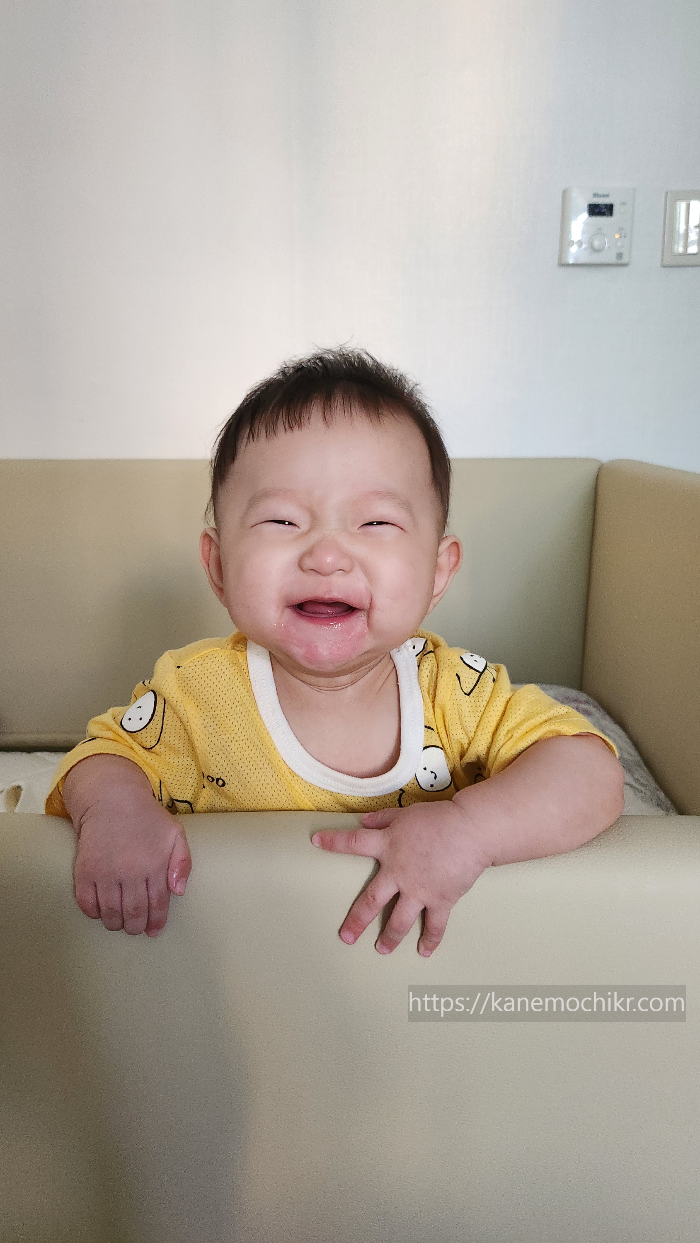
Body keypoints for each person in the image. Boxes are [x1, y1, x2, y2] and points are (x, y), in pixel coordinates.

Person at [46, 349, 624, 952]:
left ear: (437, 572)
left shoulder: (456, 694)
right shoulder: (197, 694)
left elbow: (589, 772)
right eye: (281, 521)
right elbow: (102, 755)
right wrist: (116, 809)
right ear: (218, 567)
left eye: (375, 524)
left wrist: (470, 829)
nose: (325, 556)